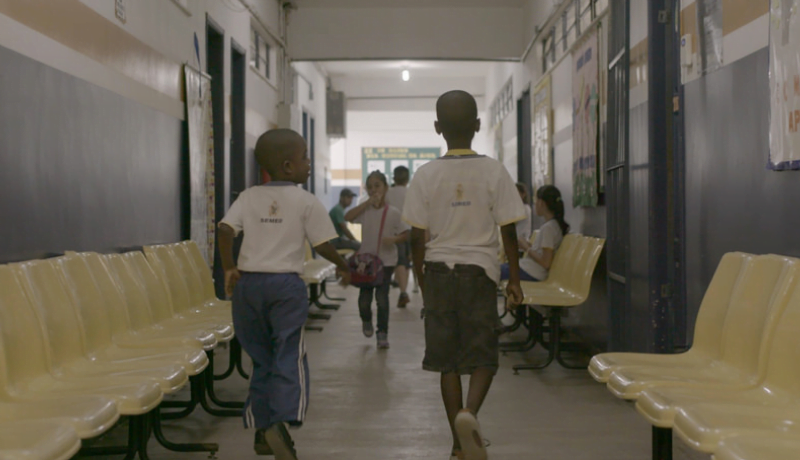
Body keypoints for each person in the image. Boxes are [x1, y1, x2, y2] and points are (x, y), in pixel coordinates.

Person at [403, 90, 525, 460]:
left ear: (438, 128)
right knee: (483, 356)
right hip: (479, 273)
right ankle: (469, 415)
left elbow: (415, 237)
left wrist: (423, 281)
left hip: (439, 272)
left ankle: (458, 444)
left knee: (447, 360)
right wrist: (515, 279)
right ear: (477, 125)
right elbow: (508, 232)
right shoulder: (493, 170)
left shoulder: (425, 175)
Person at [217, 129, 351, 460]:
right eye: (306, 157)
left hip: (248, 287)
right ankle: (281, 421)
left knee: (262, 360)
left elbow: (224, 229)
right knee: (289, 354)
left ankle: (263, 432)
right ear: (289, 166)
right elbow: (322, 245)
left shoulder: (248, 196)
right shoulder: (306, 201)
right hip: (285, 288)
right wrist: (344, 266)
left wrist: (229, 267)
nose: (310, 163)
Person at [345, 170, 409, 349]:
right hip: (366, 263)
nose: (374, 190)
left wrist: (394, 240)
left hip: (386, 262)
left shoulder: (394, 212)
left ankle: (382, 333)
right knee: (364, 300)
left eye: (377, 186)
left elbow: (405, 233)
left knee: (382, 299)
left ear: (386, 188)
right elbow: (348, 217)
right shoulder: (364, 211)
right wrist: (366, 203)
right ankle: (366, 320)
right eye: (370, 187)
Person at [500, 185, 569, 282]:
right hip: (528, 269)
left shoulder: (548, 228)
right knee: (493, 269)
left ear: (541, 203)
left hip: (531, 272)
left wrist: (526, 248)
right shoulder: (554, 226)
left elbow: (546, 262)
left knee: (490, 271)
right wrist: (529, 246)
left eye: (536, 201)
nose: (535, 204)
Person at [386, 165, 412, 307]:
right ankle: (404, 290)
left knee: (400, 262)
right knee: (407, 263)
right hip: (411, 230)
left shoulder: (388, 193)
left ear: (394, 178)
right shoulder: (411, 193)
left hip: (396, 232)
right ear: (407, 179)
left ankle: (403, 292)